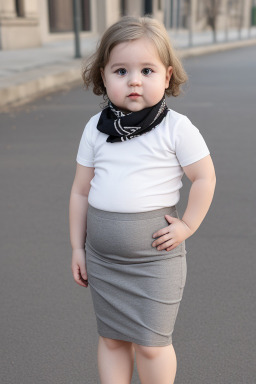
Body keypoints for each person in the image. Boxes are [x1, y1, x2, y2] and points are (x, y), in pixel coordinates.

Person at [69, 16, 216, 384]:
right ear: (103, 77)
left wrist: (187, 225)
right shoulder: (96, 128)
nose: (134, 80)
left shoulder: (176, 128)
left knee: (152, 343)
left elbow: (204, 177)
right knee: (113, 338)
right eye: (121, 70)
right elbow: (80, 190)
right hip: (103, 259)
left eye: (147, 70)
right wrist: (76, 247)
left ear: (166, 76)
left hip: (155, 260)